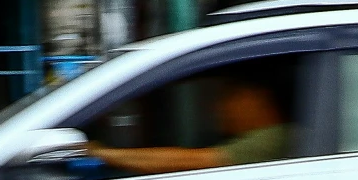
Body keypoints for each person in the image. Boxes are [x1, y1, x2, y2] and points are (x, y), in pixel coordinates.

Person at [87, 71, 292, 174]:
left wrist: (102, 153)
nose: (219, 108)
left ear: (257, 98)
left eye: (230, 96)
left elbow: (190, 161)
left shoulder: (272, 138)